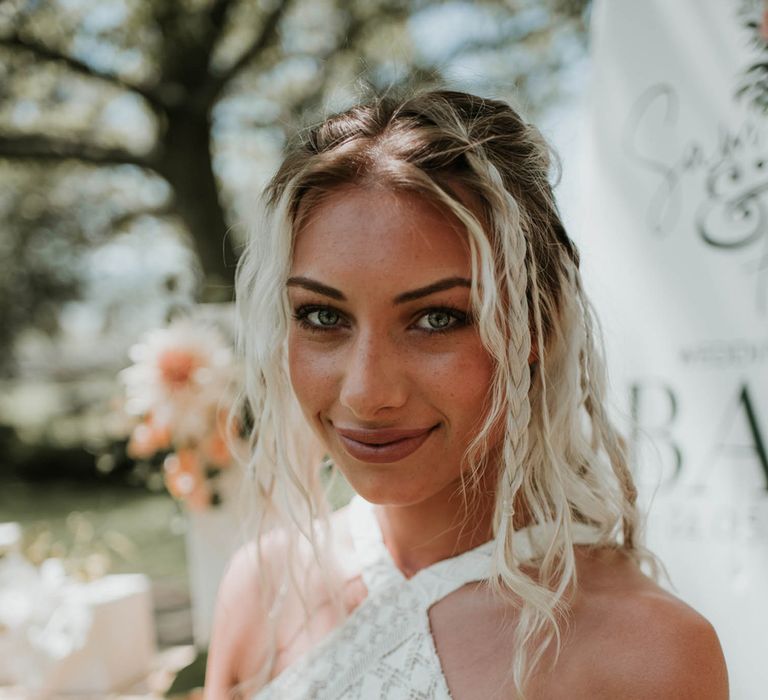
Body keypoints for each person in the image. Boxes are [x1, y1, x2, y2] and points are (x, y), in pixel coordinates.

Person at [204, 90, 728, 699]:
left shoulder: (646, 653)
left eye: (436, 319)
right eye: (323, 316)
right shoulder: (262, 588)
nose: (367, 393)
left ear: (538, 325)